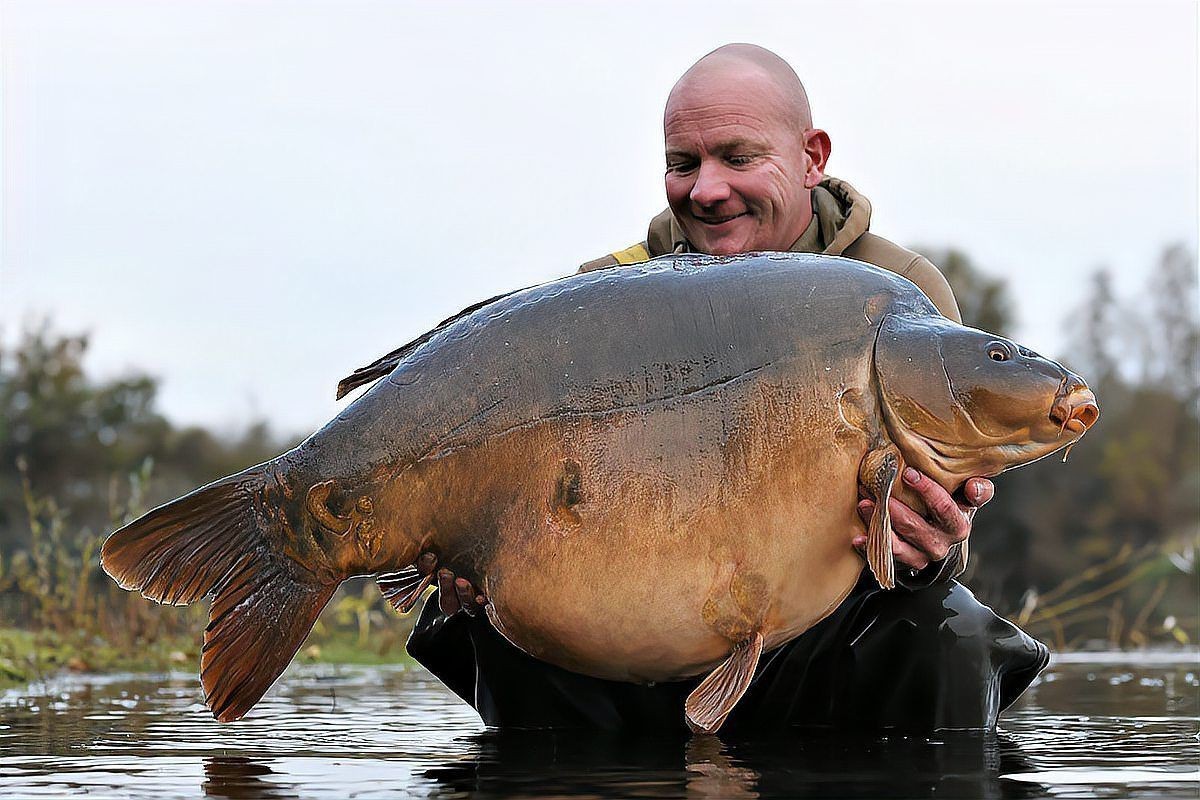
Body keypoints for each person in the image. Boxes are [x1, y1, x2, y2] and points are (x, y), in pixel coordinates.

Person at [405, 44, 1049, 732]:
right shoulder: (605, 294)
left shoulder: (902, 295)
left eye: (739, 158)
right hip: (637, 621)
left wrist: (933, 547)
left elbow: (943, 523)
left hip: (819, 626)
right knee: (479, 618)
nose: (706, 190)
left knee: (950, 630)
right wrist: (483, 557)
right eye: (683, 164)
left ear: (812, 157)